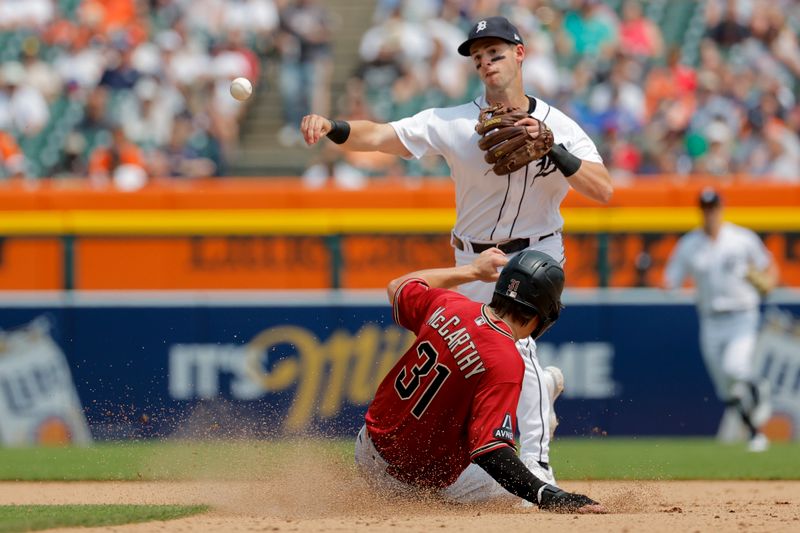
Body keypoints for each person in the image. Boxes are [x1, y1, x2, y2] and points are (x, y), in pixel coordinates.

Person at [302, 15, 613, 486]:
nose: (487, 62)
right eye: (479, 56)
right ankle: (476, 445)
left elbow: (603, 190)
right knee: (464, 365)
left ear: (520, 54)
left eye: (497, 52)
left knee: (514, 353)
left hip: (535, 258)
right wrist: (332, 126)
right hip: (472, 260)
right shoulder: (453, 123)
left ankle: (540, 469)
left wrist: (554, 150)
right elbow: (383, 136)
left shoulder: (560, 126)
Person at [355, 247, 605, 513]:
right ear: (541, 316)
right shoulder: (506, 362)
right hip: (408, 484)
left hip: (366, 447)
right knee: (518, 491)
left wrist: (472, 271)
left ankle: (538, 395)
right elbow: (490, 452)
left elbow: (398, 286)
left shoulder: (449, 304)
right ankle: (538, 402)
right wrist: (546, 494)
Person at [663, 187, 778, 452]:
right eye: (705, 208)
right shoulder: (690, 244)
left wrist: (769, 280)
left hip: (742, 315)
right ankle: (754, 434)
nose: (710, 213)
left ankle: (757, 384)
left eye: (713, 207)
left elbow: (768, 265)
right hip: (710, 320)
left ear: (721, 208)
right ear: (700, 211)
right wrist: (662, 283)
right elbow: (672, 279)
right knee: (727, 390)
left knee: (735, 368)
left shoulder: (740, 238)